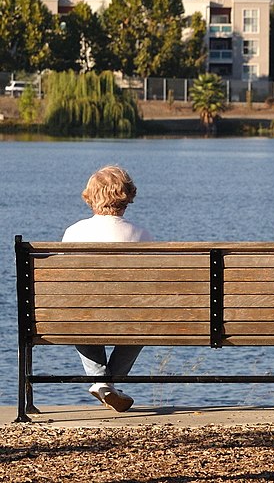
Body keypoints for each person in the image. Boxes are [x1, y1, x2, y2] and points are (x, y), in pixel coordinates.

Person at [62, 165, 153, 412]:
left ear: (91, 196)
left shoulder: (73, 233)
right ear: (127, 195)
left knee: (77, 317)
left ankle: (102, 381)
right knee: (144, 324)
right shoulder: (141, 235)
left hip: (80, 318)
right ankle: (107, 384)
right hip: (126, 317)